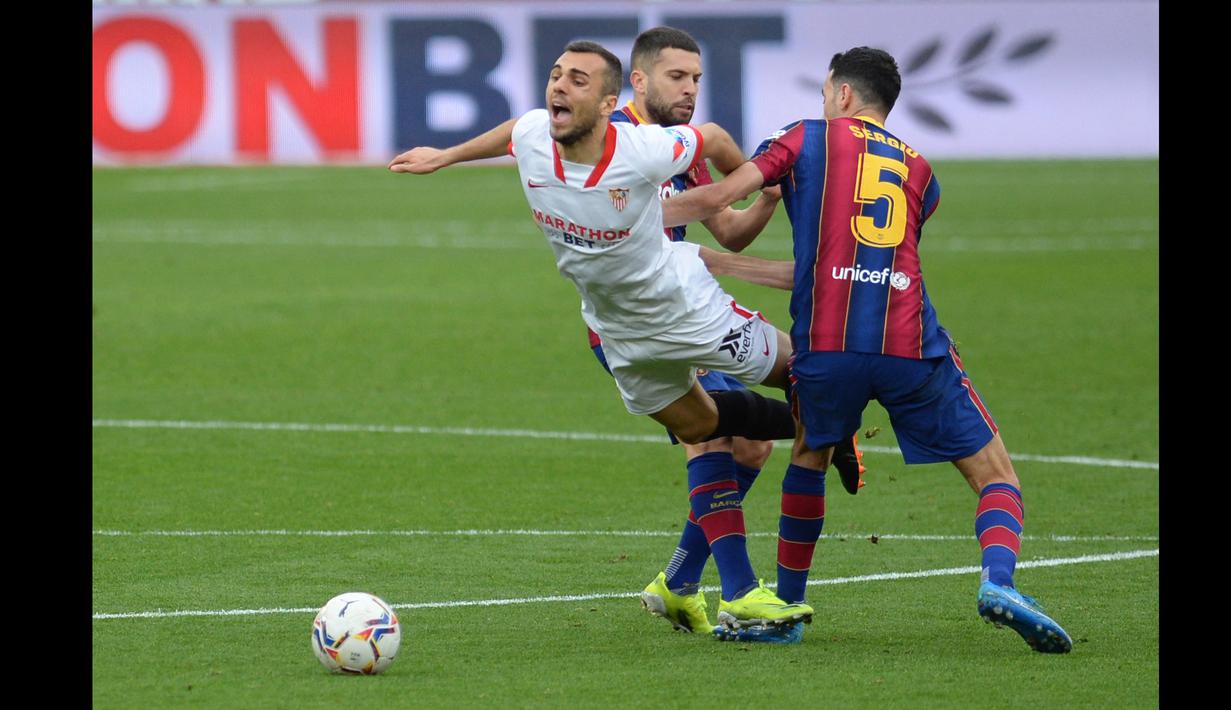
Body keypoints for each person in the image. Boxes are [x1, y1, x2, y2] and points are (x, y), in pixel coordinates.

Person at [390, 39, 816, 631]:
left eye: (696, 76)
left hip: (686, 310)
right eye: (677, 76)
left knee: (759, 427)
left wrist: (758, 189)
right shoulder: (581, 136)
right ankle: (722, 578)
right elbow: (520, 128)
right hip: (621, 330)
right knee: (709, 432)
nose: (690, 88)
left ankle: (709, 586)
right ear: (637, 85)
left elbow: (729, 225)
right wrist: (447, 155)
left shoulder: (660, 149)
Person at [662, 46, 1073, 653]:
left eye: (828, 93)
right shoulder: (921, 171)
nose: (825, 103)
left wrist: (628, 219)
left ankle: (788, 609)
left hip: (827, 348)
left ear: (844, 95)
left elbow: (723, 197)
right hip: (910, 343)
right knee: (995, 476)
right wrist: (726, 263)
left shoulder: (803, 138)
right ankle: (998, 581)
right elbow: (868, 262)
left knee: (808, 455)